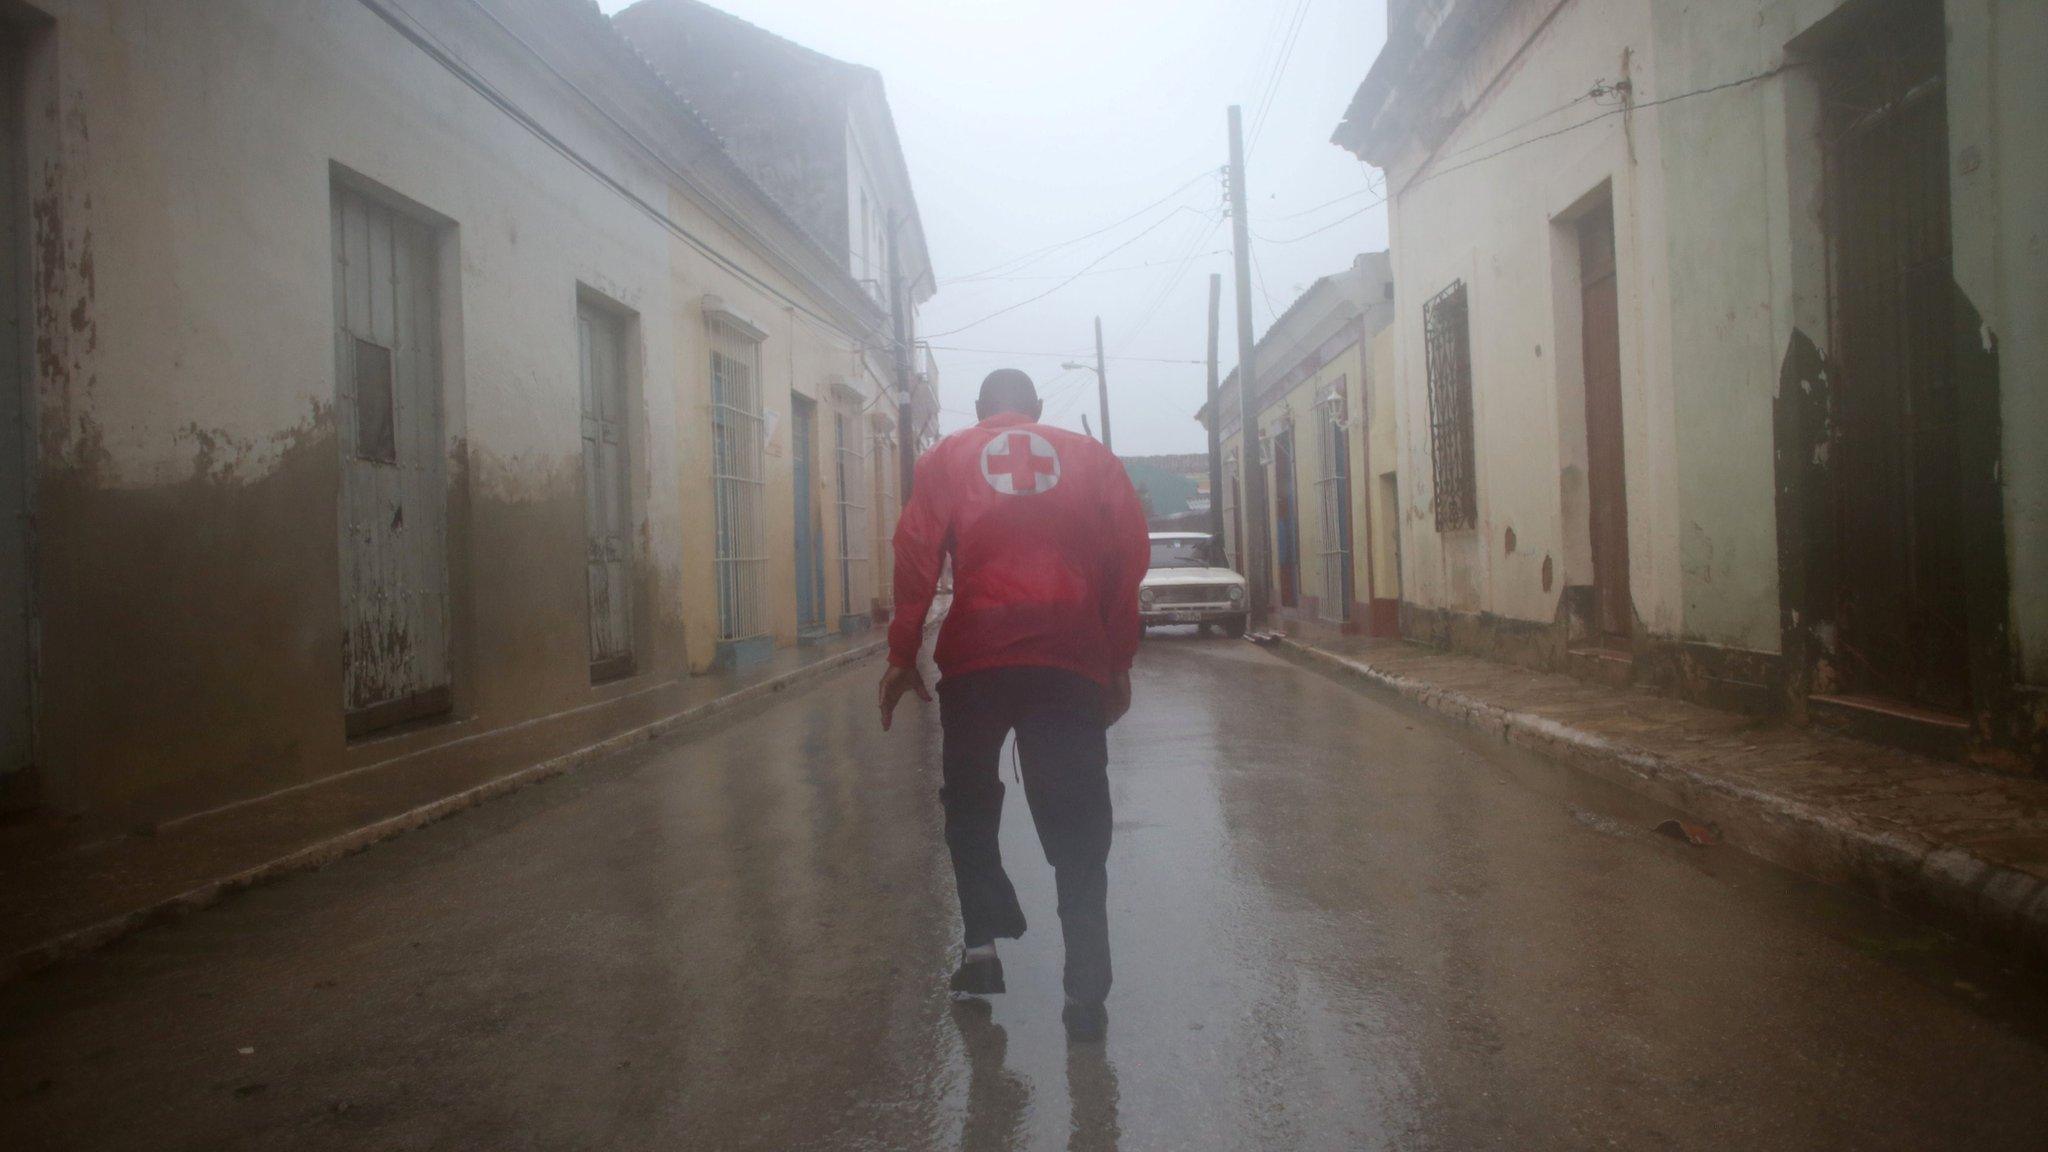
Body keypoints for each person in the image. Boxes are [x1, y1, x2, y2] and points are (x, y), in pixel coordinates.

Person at [878, 368, 1150, 1042]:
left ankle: (981, 949)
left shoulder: (947, 457)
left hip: (977, 656)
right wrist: (1116, 660)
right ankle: (1086, 986)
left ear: (979, 411)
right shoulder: (1091, 459)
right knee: (1080, 819)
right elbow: (1128, 560)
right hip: (1067, 656)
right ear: (1034, 410)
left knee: (969, 800)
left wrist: (900, 653)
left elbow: (915, 557)